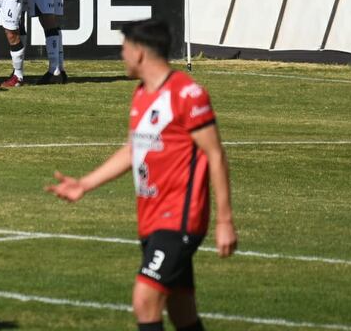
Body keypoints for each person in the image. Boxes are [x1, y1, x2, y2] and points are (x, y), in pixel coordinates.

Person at [47, 18, 238, 331]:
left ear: (138, 53)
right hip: (152, 217)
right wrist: (84, 184)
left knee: (145, 300)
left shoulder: (187, 95)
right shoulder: (141, 94)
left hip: (179, 218)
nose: (121, 55)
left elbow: (215, 154)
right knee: (181, 311)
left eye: (124, 49)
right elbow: (133, 150)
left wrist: (225, 221)